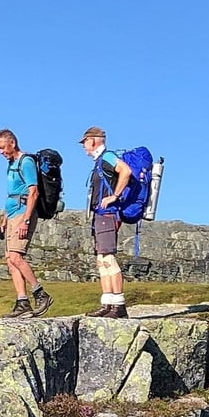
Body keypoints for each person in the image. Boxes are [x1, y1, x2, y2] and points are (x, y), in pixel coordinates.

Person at [0, 129, 54, 318]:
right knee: (10, 261)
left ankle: (40, 293)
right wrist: (4, 218)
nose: (1, 152)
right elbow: (11, 193)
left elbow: (33, 191)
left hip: (22, 213)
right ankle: (22, 302)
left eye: (3, 147)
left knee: (16, 257)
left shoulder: (25, 162)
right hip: (12, 214)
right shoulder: (11, 164)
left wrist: (26, 220)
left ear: (12, 142)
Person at [80, 126, 133, 318]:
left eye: (85, 142)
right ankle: (108, 302)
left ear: (94, 140)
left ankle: (118, 304)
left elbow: (125, 171)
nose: (84, 147)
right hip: (100, 215)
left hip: (107, 213)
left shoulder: (107, 157)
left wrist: (114, 196)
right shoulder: (100, 162)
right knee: (102, 259)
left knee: (108, 258)